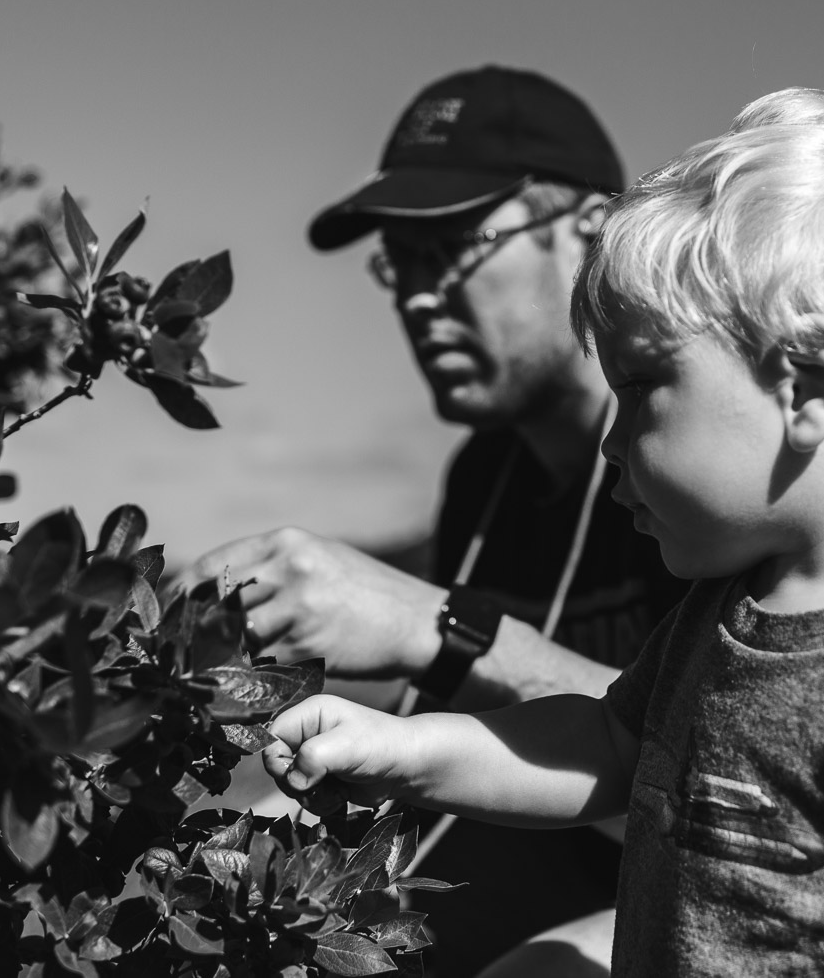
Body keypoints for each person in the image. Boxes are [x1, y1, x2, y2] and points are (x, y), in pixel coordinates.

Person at [261, 87, 824, 977]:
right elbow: (608, 747)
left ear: (806, 385)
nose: (614, 443)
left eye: (643, 387)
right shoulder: (726, 612)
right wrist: (400, 749)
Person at [179, 66, 688, 976]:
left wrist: (441, 629)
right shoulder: (486, 475)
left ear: (595, 231)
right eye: (398, 263)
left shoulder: (707, 466)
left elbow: (738, 780)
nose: (416, 296)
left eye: (451, 246)